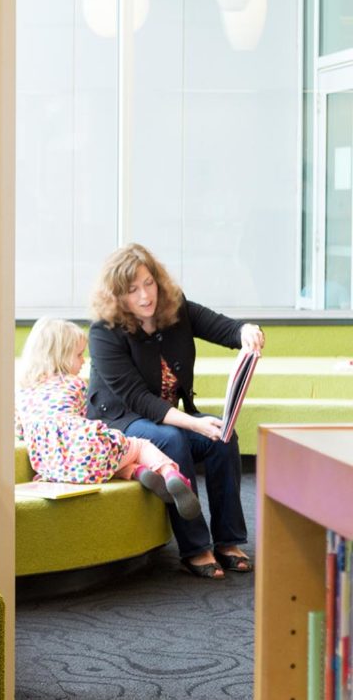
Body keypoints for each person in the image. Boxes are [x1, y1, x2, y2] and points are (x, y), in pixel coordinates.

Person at [86, 243, 265, 579]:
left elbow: (223, 327)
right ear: (116, 296)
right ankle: (195, 548)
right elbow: (140, 400)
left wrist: (246, 331)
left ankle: (228, 541)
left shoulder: (175, 307)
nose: (144, 296)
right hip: (121, 423)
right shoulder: (103, 333)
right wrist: (195, 425)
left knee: (223, 437)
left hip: (166, 417)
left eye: (148, 283)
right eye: (132, 290)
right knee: (173, 440)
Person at [16, 317, 201, 520]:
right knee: (139, 447)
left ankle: (137, 472)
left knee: (105, 462)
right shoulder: (74, 384)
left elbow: (19, 431)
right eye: (78, 355)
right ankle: (171, 475)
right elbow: (80, 421)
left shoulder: (22, 393)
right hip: (85, 447)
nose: (83, 361)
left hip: (54, 464)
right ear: (60, 356)